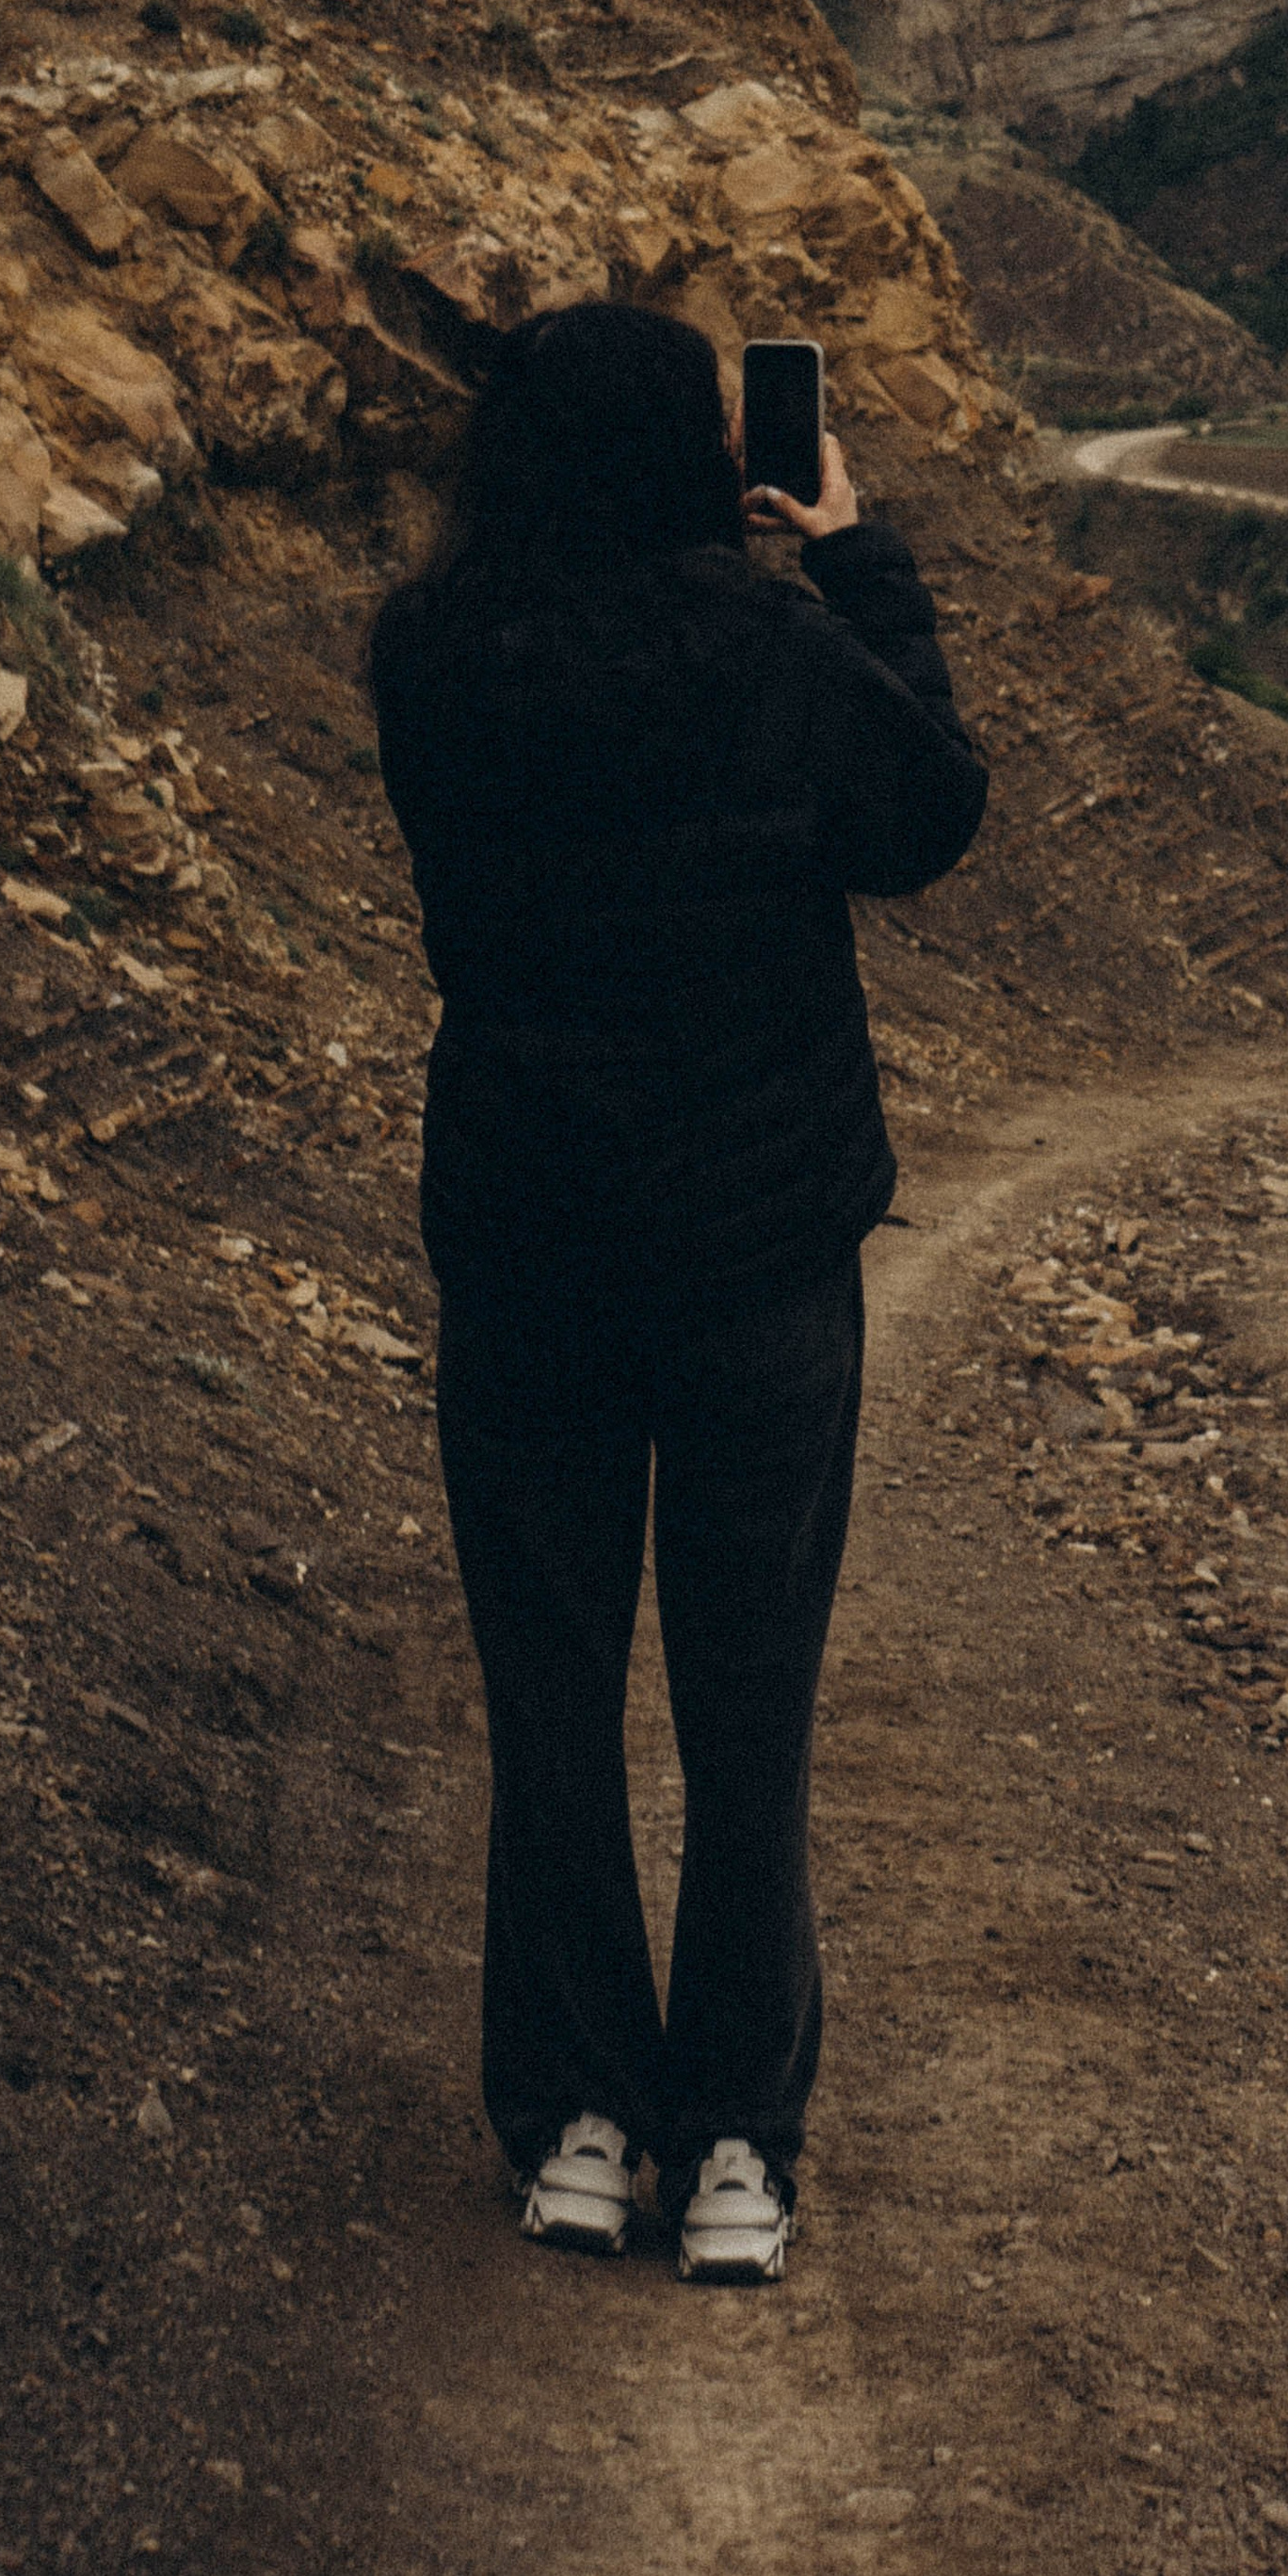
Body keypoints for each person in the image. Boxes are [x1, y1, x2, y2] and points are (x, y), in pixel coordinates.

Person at [368, 301, 987, 2284]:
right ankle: (734, 2147)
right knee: (747, 1706)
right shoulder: (766, 643)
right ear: (686, 452)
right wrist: (852, 557)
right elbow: (926, 816)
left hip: (531, 1246)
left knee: (548, 1700)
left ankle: (571, 2123)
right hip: (754, 1257)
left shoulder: (431, 656)